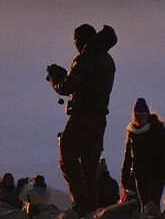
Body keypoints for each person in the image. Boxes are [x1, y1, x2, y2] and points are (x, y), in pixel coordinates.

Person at [46, 23, 118, 215]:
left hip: (82, 117)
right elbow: (87, 83)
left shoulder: (85, 58)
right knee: (89, 164)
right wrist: (68, 75)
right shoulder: (107, 59)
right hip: (100, 118)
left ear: (80, 41)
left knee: (67, 158)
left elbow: (67, 88)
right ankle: (91, 207)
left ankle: (82, 205)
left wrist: (55, 79)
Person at [120, 97, 165, 213]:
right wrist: (124, 177)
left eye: (143, 115)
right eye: (138, 115)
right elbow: (128, 156)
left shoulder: (158, 129)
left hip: (156, 173)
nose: (140, 118)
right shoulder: (132, 132)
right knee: (144, 204)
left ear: (147, 114)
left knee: (153, 203)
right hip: (139, 173)